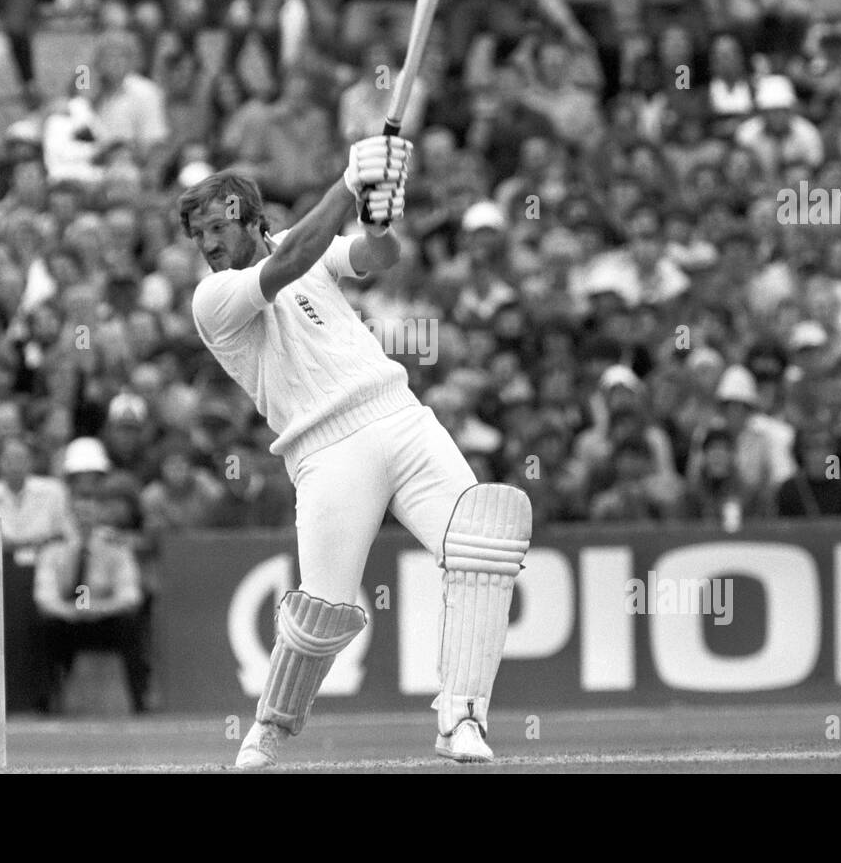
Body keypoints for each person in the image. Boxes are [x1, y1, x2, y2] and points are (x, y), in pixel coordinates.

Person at [183, 134, 532, 767]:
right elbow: (287, 265)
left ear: (253, 220)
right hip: (325, 447)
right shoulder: (216, 297)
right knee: (322, 614)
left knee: (486, 544)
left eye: (216, 227)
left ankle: (461, 720)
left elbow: (379, 257)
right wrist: (349, 183)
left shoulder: (303, 245)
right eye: (198, 235)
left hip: (400, 414)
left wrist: (378, 215)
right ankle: (270, 727)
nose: (208, 245)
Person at [33, 472, 149, 712]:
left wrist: (97, 609)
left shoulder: (115, 546)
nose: (84, 520)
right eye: (78, 514)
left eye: (89, 513)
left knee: (132, 625)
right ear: (70, 515)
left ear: (99, 514)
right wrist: (69, 611)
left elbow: (130, 595)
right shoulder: (54, 547)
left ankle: (140, 701)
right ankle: (45, 703)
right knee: (44, 625)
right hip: (67, 620)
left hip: (104, 619)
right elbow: (44, 596)